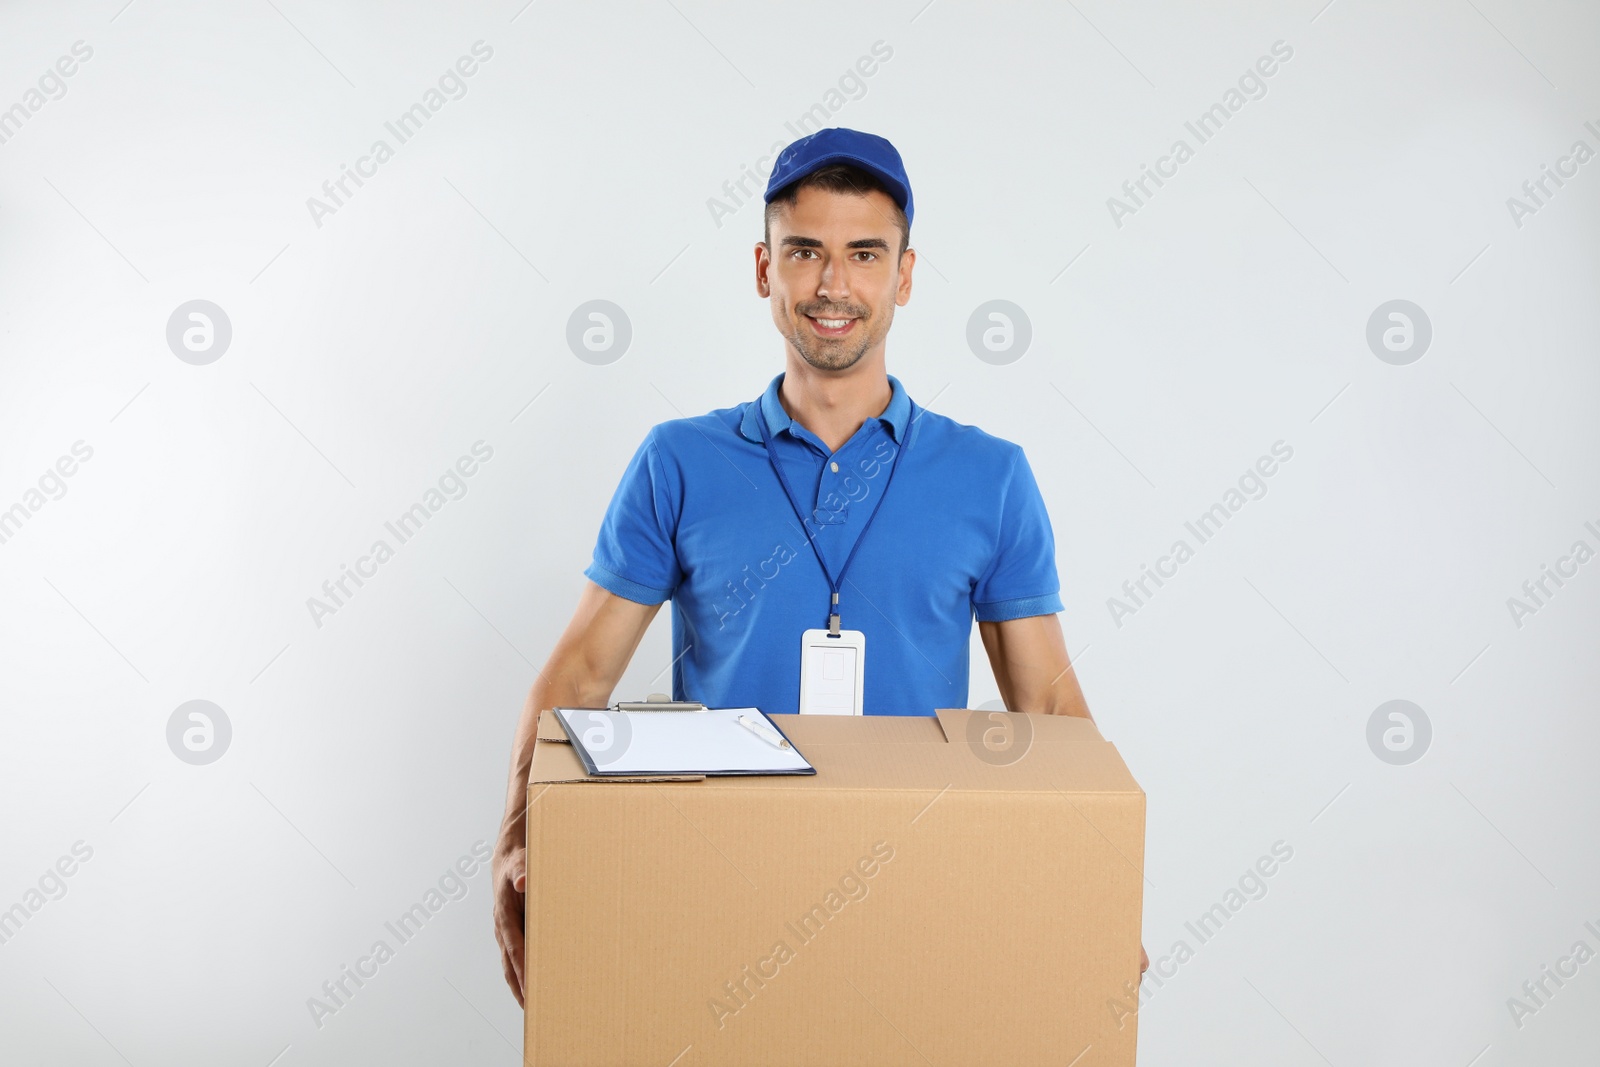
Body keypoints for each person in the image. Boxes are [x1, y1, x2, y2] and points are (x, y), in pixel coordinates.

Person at [492, 128, 1142, 1004]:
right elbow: (579, 671)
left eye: (864, 254)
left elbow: (1051, 707)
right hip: (716, 887)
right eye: (806, 252)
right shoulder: (678, 461)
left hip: (919, 884)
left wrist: (1100, 884)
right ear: (765, 269)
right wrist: (515, 837)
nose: (834, 285)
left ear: (905, 277)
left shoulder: (990, 477)